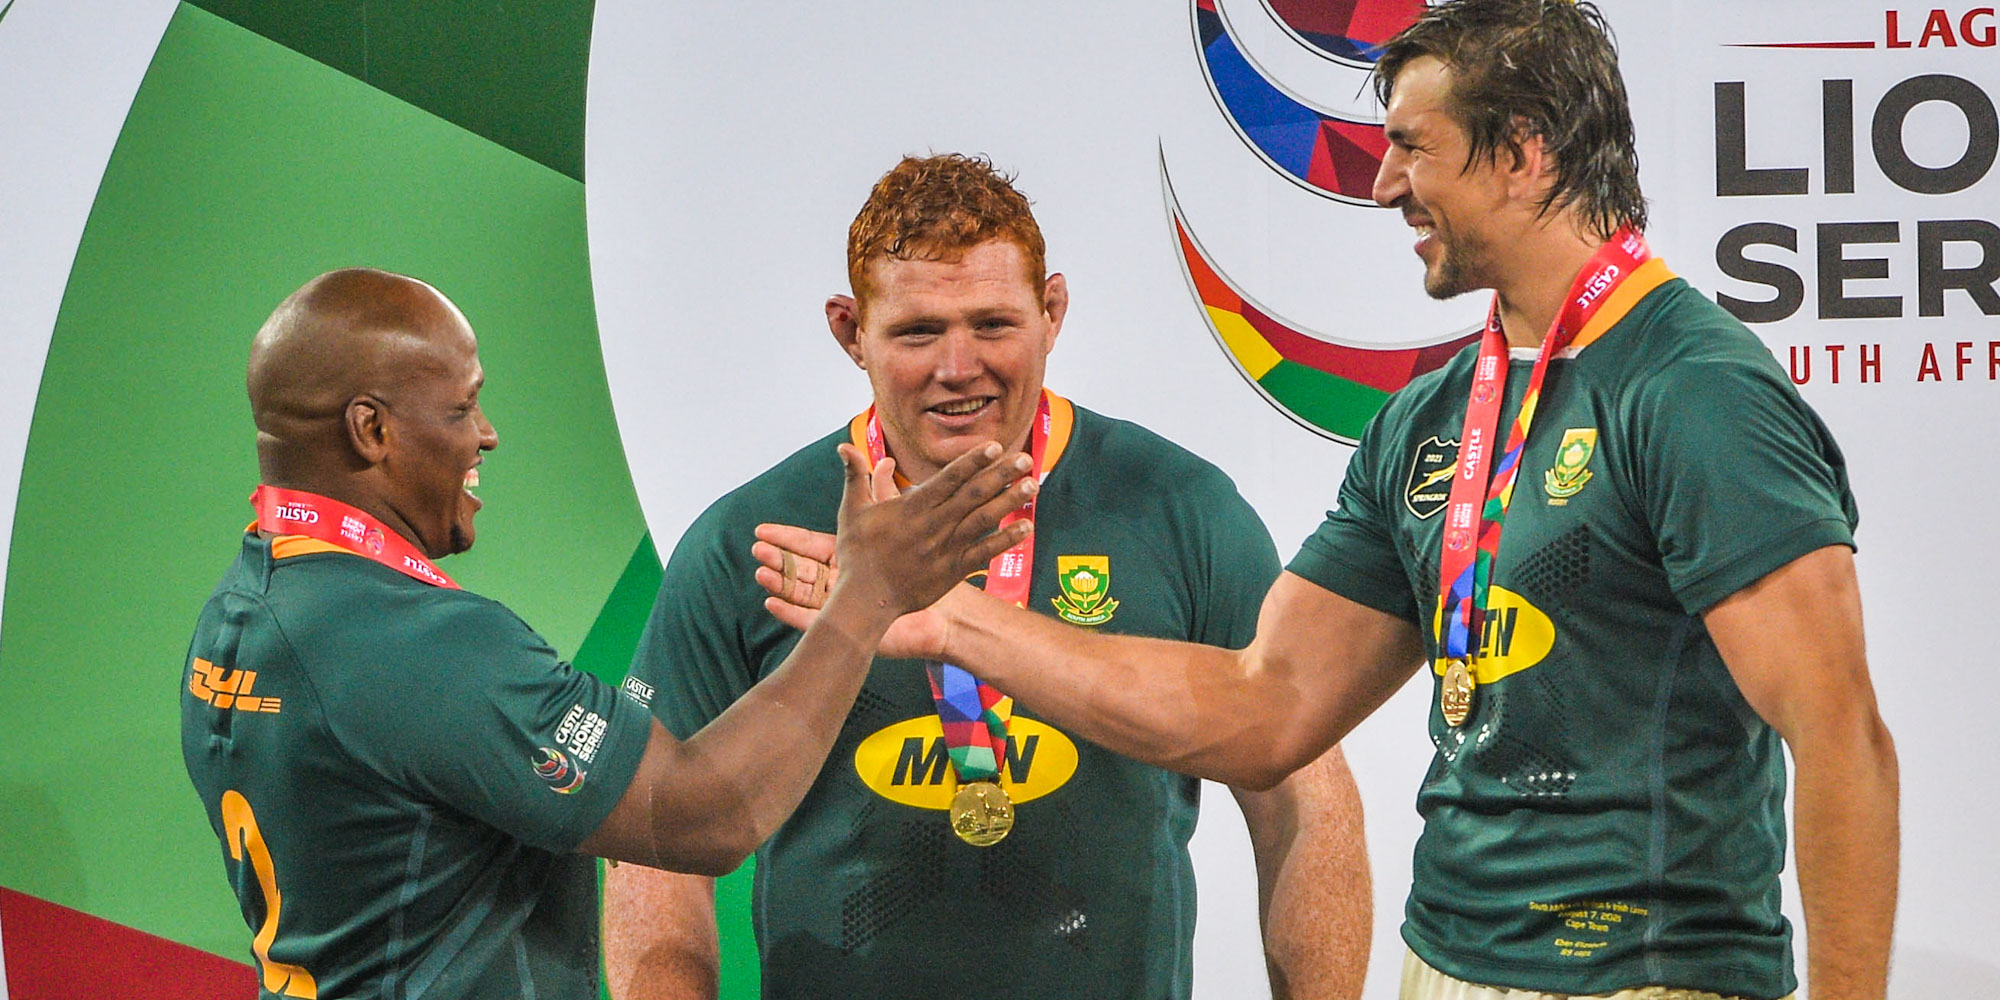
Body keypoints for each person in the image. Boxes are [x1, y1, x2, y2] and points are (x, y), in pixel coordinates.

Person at [753, 5, 1899, 1000]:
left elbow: (1838, 739)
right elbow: (1264, 707)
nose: (1383, 180)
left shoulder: (1692, 393)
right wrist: (951, 619)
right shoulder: (1430, 417)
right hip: (1443, 959)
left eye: (1411, 147)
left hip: (1651, 973)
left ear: (1523, 155)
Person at [602, 154, 1373, 1000]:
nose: (959, 367)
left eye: (994, 324)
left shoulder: (1180, 510)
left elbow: (1305, 804)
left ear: (1053, 312)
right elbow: (652, 853)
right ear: (849, 330)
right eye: (918, 332)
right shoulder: (753, 539)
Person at [179, 267, 1035, 1000]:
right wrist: (868, 600)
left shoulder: (239, 613)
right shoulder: (420, 649)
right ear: (371, 430)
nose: (486, 434)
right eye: (462, 407)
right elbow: (703, 813)